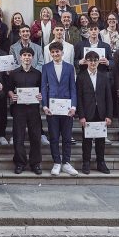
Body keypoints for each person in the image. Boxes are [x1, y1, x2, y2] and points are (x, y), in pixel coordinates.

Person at [40, 41, 78, 176]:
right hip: (52, 108)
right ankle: (56, 162)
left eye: (57, 51)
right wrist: (44, 105)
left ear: (62, 52)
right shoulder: (46, 67)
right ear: (50, 54)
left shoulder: (69, 67)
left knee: (67, 137)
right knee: (54, 137)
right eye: (53, 52)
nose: (55, 54)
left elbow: (73, 88)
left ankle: (66, 163)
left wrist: (73, 106)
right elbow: (44, 87)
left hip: (67, 108)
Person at [6, 47, 43, 175]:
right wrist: (12, 95)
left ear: (32, 58)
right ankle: (20, 163)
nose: (27, 57)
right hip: (19, 109)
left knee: (35, 137)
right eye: (24, 55)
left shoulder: (38, 73)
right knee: (18, 137)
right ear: (20, 57)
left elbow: (42, 90)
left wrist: (40, 95)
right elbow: (9, 89)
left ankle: (35, 163)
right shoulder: (14, 73)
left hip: (33, 109)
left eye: (29, 55)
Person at [76, 51, 112, 175]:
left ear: (98, 62)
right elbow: (79, 97)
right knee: (86, 140)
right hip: (87, 113)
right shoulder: (81, 77)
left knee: (101, 140)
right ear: (86, 62)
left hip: (101, 112)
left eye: (95, 60)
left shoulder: (104, 76)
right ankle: (86, 162)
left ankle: (100, 162)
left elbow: (108, 97)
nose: (93, 63)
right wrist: (81, 116)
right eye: (90, 60)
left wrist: (109, 115)